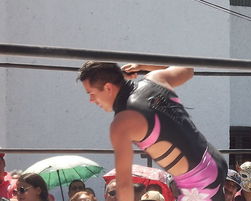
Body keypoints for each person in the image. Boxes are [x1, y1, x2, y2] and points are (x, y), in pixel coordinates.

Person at [78, 62, 227, 201]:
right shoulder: (155, 78)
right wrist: (143, 66)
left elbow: (123, 185)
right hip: (213, 157)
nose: (91, 100)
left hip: (201, 183)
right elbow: (187, 69)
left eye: (91, 93)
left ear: (108, 88)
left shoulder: (121, 123)